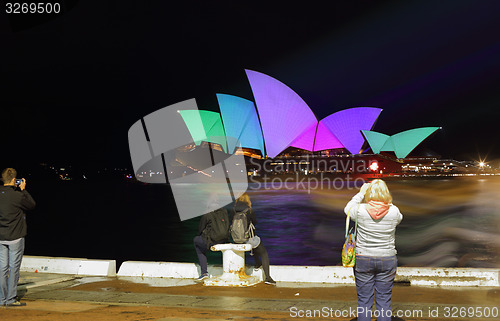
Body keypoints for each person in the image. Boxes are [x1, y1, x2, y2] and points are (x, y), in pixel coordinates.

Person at [344, 179, 403, 321]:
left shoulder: (360, 210)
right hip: (387, 258)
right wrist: (386, 200)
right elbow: (399, 218)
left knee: (364, 300)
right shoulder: (394, 211)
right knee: (384, 301)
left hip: (363, 258)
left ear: (368, 193)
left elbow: (348, 209)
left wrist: (360, 193)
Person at [0, 168, 36, 307]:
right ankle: (10, 299)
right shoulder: (18, 195)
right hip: (16, 236)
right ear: (15, 180)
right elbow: (32, 205)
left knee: (2, 268)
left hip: (1, 236)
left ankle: (2, 299)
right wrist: (23, 190)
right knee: (13, 268)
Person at [231, 193, 276, 285]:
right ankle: (268, 277)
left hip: (236, 239)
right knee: (263, 252)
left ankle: (257, 263)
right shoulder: (249, 210)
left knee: (255, 245)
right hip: (248, 238)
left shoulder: (233, 210)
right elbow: (255, 222)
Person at [193, 195, 230, 281]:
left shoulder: (207, 213)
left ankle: (204, 273)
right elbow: (227, 224)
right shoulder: (224, 211)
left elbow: (200, 229)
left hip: (212, 240)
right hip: (224, 239)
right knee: (202, 243)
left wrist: (201, 235)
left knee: (197, 243)